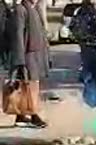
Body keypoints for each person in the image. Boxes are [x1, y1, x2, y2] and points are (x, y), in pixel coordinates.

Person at [10, 0, 49, 128]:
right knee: (30, 86)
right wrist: (19, 59)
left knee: (26, 86)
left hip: (34, 54)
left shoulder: (33, 8)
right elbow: (18, 36)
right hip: (27, 55)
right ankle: (33, 115)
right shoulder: (20, 10)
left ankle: (21, 116)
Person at [69, 0, 96, 80]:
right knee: (89, 66)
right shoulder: (82, 11)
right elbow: (73, 26)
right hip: (88, 42)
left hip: (93, 42)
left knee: (92, 65)